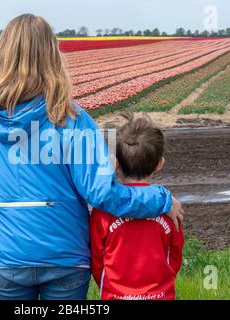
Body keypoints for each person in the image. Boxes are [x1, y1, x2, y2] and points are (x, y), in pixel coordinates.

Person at [0, 13, 183, 300]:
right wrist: (160, 200)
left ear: (1, 55)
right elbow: (101, 193)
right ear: (52, 55)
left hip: (5, 255)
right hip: (64, 257)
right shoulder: (71, 119)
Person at [90, 115, 184, 300]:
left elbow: (97, 258)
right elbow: (175, 254)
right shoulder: (169, 209)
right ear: (159, 164)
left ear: (115, 164)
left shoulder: (103, 211)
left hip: (115, 295)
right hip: (160, 295)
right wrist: (162, 283)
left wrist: (110, 286)